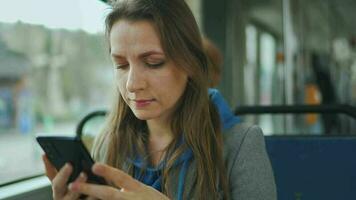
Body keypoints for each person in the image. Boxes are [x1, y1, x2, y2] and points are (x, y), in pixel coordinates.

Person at [42, 0, 277, 199]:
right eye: (121, 65)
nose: (133, 84)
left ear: (190, 64)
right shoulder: (108, 142)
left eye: (153, 62)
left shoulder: (240, 146)